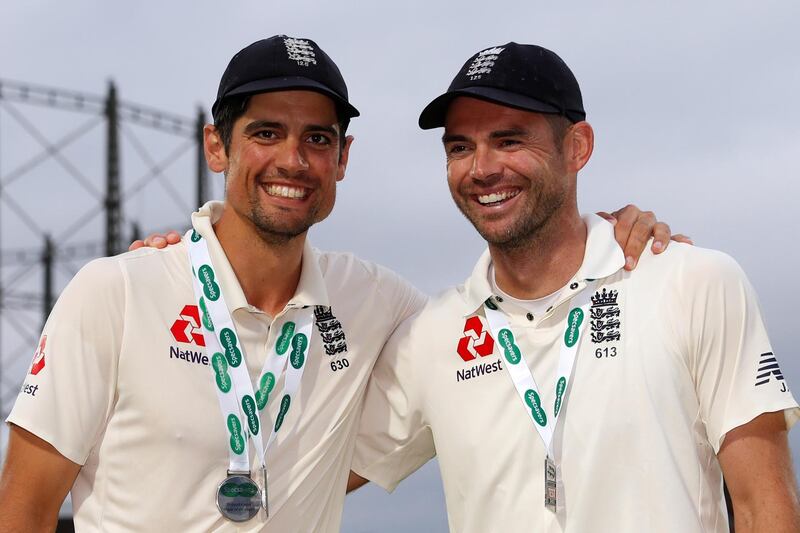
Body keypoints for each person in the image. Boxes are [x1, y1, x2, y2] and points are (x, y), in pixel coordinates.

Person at [0, 36, 675, 532]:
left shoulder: (375, 303)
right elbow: (24, 508)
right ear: (216, 145)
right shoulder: (116, 292)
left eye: (318, 139)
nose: (293, 160)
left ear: (343, 158)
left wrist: (615, 235)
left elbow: (520, 314)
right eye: (266, 132)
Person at [350, 43, 800, 532]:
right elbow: (303, 478)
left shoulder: (694, 283)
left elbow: (764, 508)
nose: (481, 169)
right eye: (460, 147)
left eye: (508, 140)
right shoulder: (431, 337)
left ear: (577, 147)